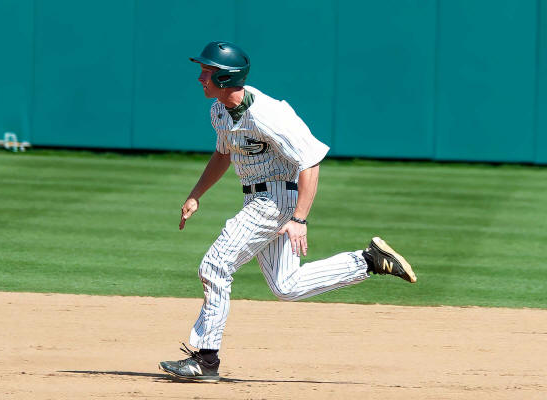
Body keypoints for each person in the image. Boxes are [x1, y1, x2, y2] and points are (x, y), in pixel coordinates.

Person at [158, 41, 417, 382]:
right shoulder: (219, 111)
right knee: (286, 285)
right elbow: (223, 153)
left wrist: (299, 219)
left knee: (215, 265)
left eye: (207, 72)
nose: (200, 78)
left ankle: (206, 361)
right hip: (258, 200)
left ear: (225, 77)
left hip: (274, 201)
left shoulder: (268, 113)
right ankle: (369, 260)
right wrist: (196, 194)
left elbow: (311, 160)